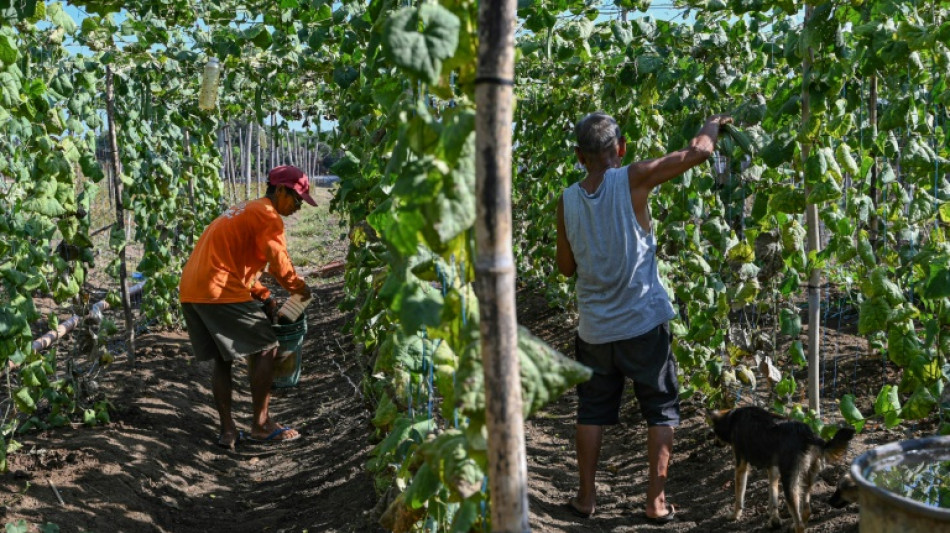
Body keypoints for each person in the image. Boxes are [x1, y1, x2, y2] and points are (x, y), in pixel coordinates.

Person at [556, 112, 731, 522]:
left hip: (595, 330)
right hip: (642, 324)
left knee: (591, 410)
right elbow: (698, 152)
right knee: (660, 408)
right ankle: (654, 503)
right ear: (621, 147)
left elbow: (566, 268)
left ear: (580, 156)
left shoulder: (566, 200)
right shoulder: (633, 177)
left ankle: (585, 499)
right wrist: (713, 124)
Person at [179, 165, 316, 449]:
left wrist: (263, 295)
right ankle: (262, 425)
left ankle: (228, 431)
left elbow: (237, 262)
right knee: (266, 346)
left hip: (192, 289)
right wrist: (299, 288)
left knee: (222, 358)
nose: (298, 207)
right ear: (280, 191)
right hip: (218, 289)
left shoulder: (245, 209)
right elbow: (280, 264)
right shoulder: (268, 216)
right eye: (297, 199)